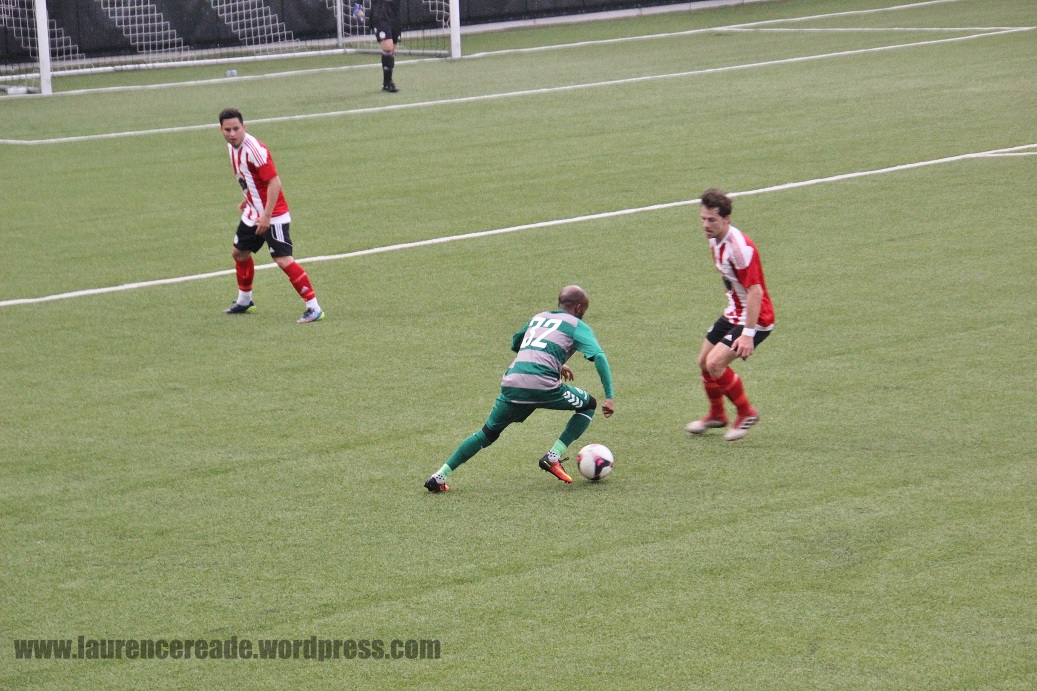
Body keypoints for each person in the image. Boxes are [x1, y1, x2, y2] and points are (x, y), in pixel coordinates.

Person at [425, 286, 616, 492]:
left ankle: (439, 476)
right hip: (543, 385)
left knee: (487, 433)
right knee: (588, 405)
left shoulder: (538, 318)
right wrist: (609, 396)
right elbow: (599, 356)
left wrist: (555, 362)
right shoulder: (577, 325)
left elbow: (517, 343)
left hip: (513, 383)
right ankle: (553, 456)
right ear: (578, 307)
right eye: (584, 310)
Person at [218, 108, 324, 324]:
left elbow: (274, 182)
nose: (232, 134)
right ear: (221, 130)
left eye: (236, 129)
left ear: (244, 127)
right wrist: (248, 198)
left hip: (273, 214)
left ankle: (314, 307)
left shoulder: (255, 150)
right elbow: (249, 177)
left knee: (283, 259)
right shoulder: (231, 147)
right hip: (253, 211)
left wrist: (266, 216)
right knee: (239, 253)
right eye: (227, 130)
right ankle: (245, 301)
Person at [686, 188, 774, 441]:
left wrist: (747, 335)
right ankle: (717, 414)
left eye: (712, 220)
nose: (706, 225)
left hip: (756, 318)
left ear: (727, 219)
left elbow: (755, 292)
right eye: (703, 219)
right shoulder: (714, 239)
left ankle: (746, 412)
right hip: (734, 312)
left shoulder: (740, 249)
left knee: (715, 363)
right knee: (704, 361)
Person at [369, 0, 401, 92]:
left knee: (392, 48)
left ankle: (386, 82)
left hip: (394, 12)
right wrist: (358, 6)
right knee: (388, 46)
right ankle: (388, 83)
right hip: (380, 11)